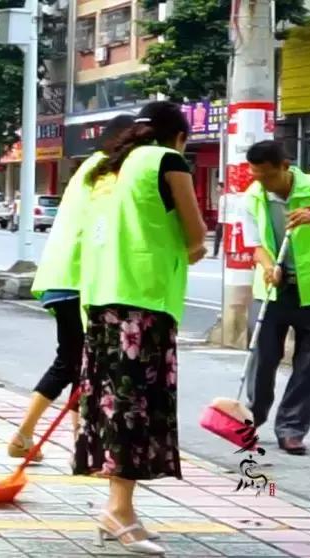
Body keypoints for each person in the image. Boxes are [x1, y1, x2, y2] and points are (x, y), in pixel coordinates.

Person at [76, 101, 207, 555]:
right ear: (179, 137)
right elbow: (196, 235)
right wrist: (190, 248)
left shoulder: (109, 167)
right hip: (143, 305)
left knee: (113, 409)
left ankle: (119, 510)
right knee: (134, 411)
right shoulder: (167, 161)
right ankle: (117, 512)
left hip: (99, 301)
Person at [11, 114, 136, 461]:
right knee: (73, 364)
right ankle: (28, 434)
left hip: (61, 276)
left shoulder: (89, 168)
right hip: (79, 280)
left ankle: (77, 441)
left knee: (79, 364)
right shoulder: (108, 174)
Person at [240, 140, 310, 456]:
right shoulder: (252, 196)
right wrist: (270, 267)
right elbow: (254, 243)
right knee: (262, 358)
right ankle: (251, 420)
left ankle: (292, 429)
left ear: (285, 166)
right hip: (271, 291)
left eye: (266, 175)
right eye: (255, 174)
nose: (260, 181)